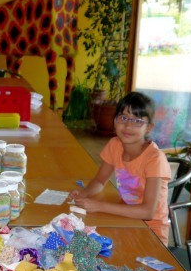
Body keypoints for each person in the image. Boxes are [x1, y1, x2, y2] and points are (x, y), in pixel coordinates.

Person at [68, 91, 171, 244]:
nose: (128, 126)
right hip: (125, 218)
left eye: (137, 121)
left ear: (148, 127)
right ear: (115, 120)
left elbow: (147, 212)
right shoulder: (115, 145)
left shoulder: (155, 159)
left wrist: (99, 206)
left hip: (152, 232)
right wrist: (84, 194)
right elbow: (100, 180)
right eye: (123, 118)